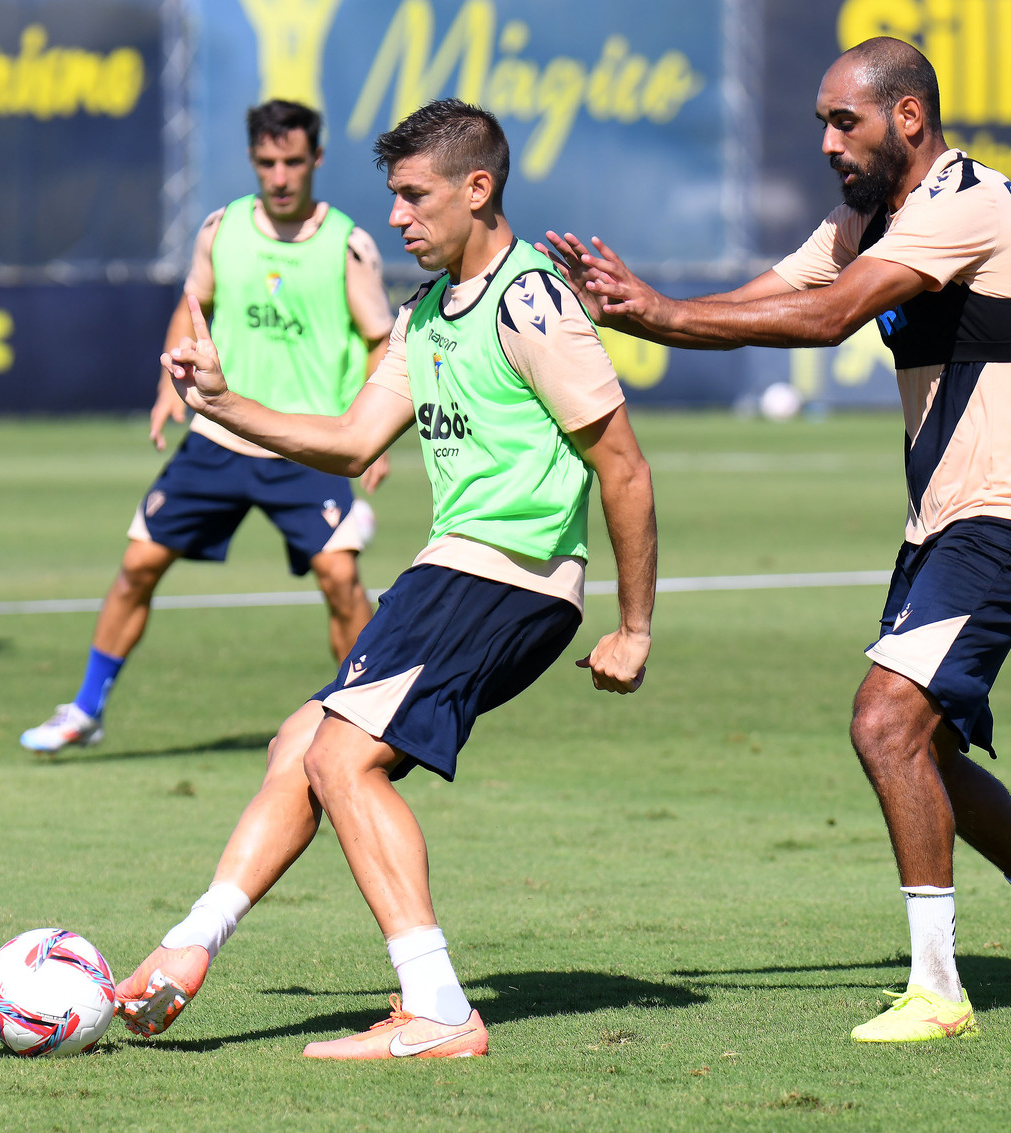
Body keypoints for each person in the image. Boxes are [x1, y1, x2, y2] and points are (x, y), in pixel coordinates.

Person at [544, 38, 1011, 1043]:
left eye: (842, 121)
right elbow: (766, 297)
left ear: (908, 116)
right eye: (820, 122)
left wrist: (662, 312)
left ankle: (938, 990)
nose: (825, 142)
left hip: (1007, 519)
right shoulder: (869, 214)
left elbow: (826, 318)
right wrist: (644, 314)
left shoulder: (967, 202)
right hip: (943, 525)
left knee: (881, 723)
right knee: (925, 748)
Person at [111, 100, 657, 1059]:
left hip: (508, 573)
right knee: (301, 742)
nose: (397, 216)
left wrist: (634, 625)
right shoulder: (425, 313)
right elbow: (351, 439)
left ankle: (438, 1008)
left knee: (340, 758)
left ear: (477, 189)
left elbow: (624, 465)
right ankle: (190, 942)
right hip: (451, 571)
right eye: (393, 196)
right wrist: (221, 402)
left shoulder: (530, 301)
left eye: (414, 195)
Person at [20, 100, 394, 752]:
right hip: (219, 438)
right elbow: (194, 307)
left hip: (306, 445)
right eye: (267, 162)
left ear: (316, 160)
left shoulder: (348, 245)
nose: (280, 176)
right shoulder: (221, 230)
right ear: (253, 160)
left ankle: (368, 722)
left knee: (340, 580)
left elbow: (380, 340)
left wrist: (375, 429)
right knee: (138, 564)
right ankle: (85, 709)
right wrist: (168, 384)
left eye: (293, 161)